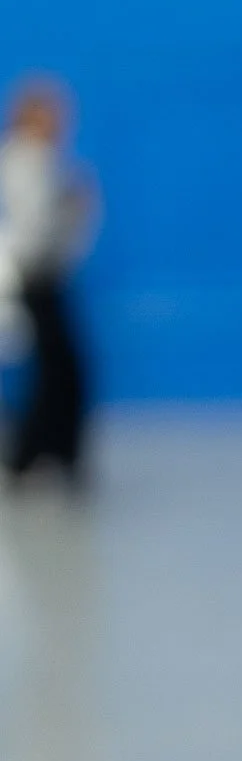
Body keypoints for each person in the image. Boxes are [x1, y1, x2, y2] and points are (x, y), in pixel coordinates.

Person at [0, 77, 96, 486]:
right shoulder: (25, 160)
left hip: (43, 277)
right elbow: (36, 227)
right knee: (61, 371)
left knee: (61, 372)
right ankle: (34, 455)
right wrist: (70, 206)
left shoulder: (38, 160)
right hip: (34, 278)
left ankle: (44, 453)